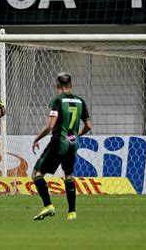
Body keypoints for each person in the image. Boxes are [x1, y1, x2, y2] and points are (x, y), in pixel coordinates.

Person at [32, 72, 92, 221]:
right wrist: (75, 135)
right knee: (68, 176)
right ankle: (72, 213)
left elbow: (50, 126)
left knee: (37, 174)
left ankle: (48, 206)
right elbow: (89, 125)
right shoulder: (80, 101)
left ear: (57, 85)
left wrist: (37, 138)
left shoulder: (57, 101)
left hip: (59, 143)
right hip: (73, 144)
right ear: (71, 85)